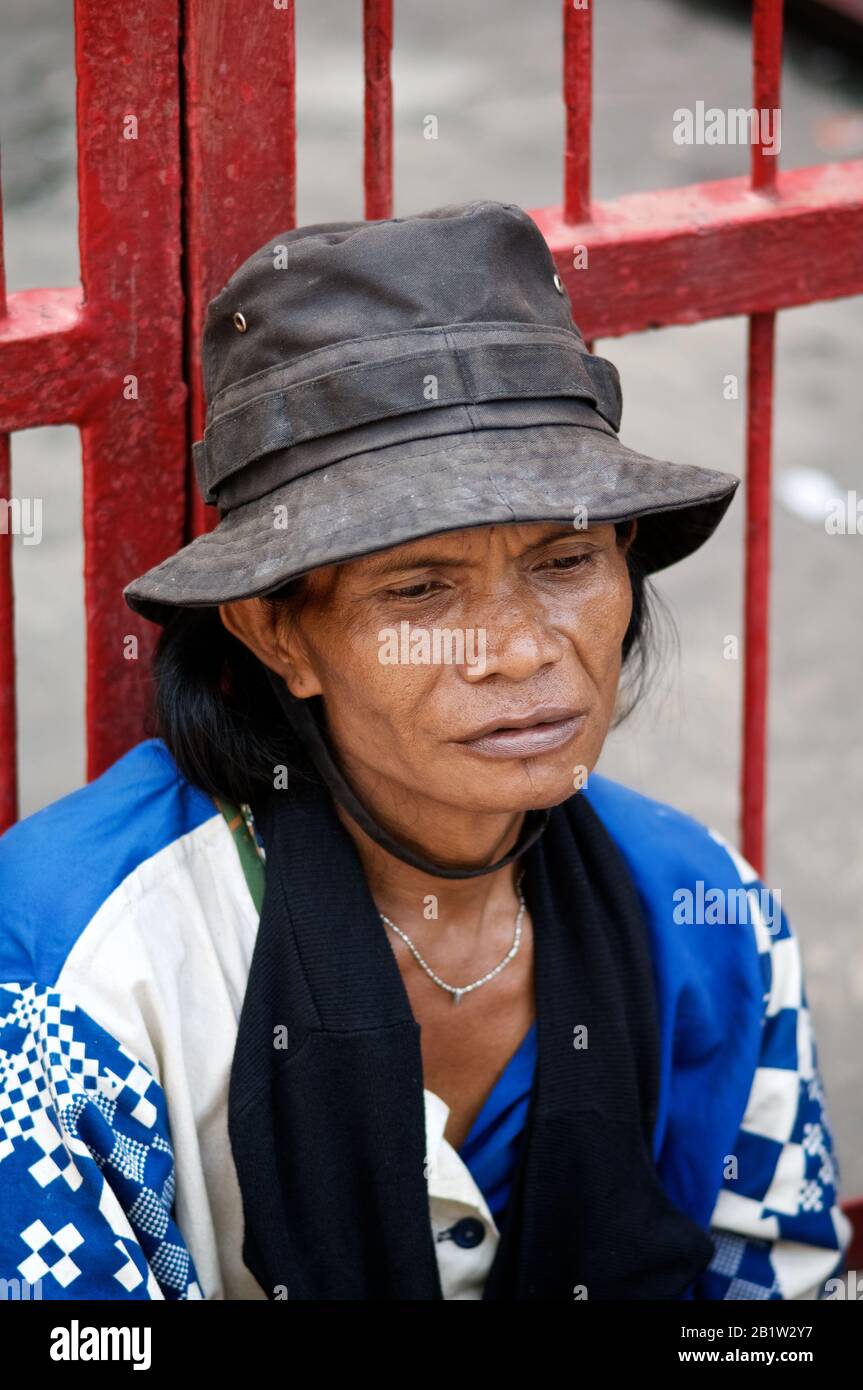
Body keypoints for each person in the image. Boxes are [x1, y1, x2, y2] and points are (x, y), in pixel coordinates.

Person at [0, 201, 851, 1301]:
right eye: (419, 588)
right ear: (276, 633)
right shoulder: (68, 972)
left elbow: (776, 1299)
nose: (516, 649)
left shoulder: (706, 914)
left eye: (563, 562)